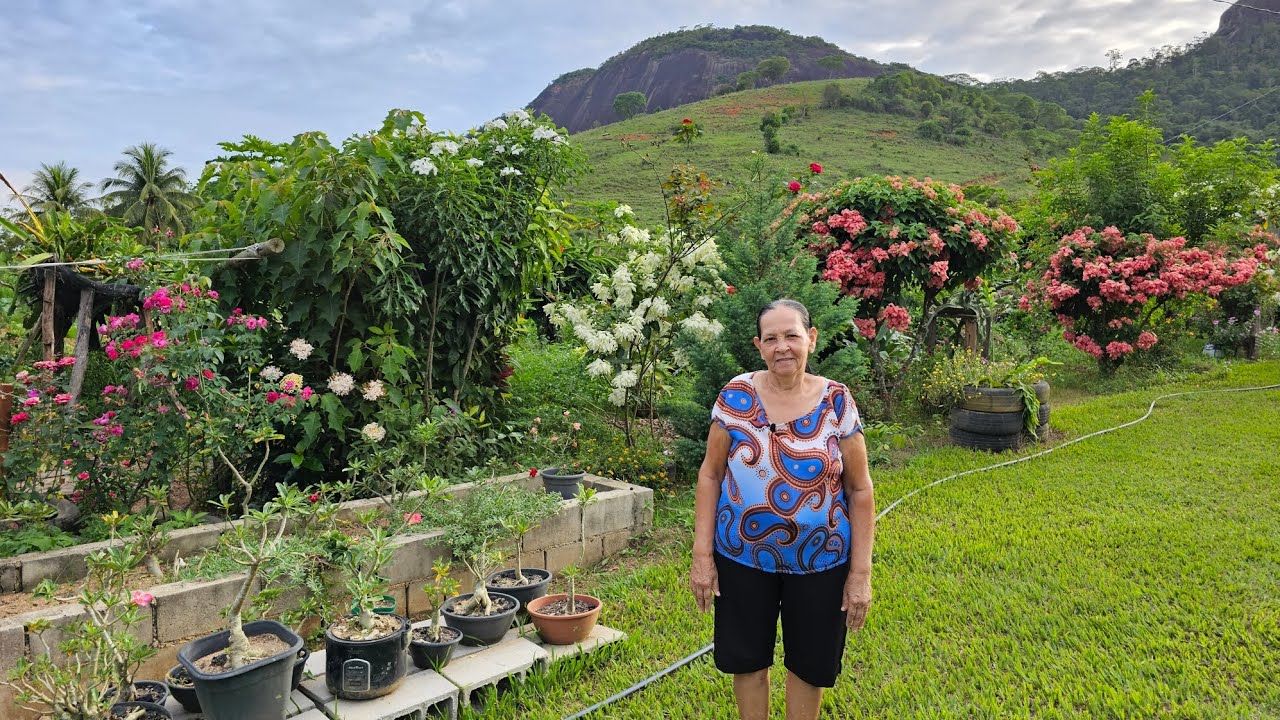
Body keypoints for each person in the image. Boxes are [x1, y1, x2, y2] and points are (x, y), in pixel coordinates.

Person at [690, 298, 875, 720]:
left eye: (791, 335)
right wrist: (702, 555)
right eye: (771, 338)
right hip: (742, 558)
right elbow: (710, 475)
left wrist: (860, 573)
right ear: (758, 346)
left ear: (810, 339)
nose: (782, 347)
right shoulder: (736, 396)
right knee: (747, 660)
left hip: (821, 561)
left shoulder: (837, 403)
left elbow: (860, 489)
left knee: (809, 666)